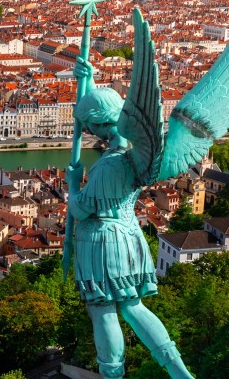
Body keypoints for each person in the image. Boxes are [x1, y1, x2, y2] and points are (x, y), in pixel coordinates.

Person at [70, 58, 192, 378]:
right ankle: (179, 371)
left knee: (103, 312)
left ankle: (112, 375)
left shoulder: (111, 165)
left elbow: (82, 209)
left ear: (99, 124)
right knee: (133, 307)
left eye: (89, 125)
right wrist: (89, 80)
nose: (86, 131)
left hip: (101, 243)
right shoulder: (130, 154)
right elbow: (91, 112)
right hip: (129, 238)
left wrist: (72, 186)